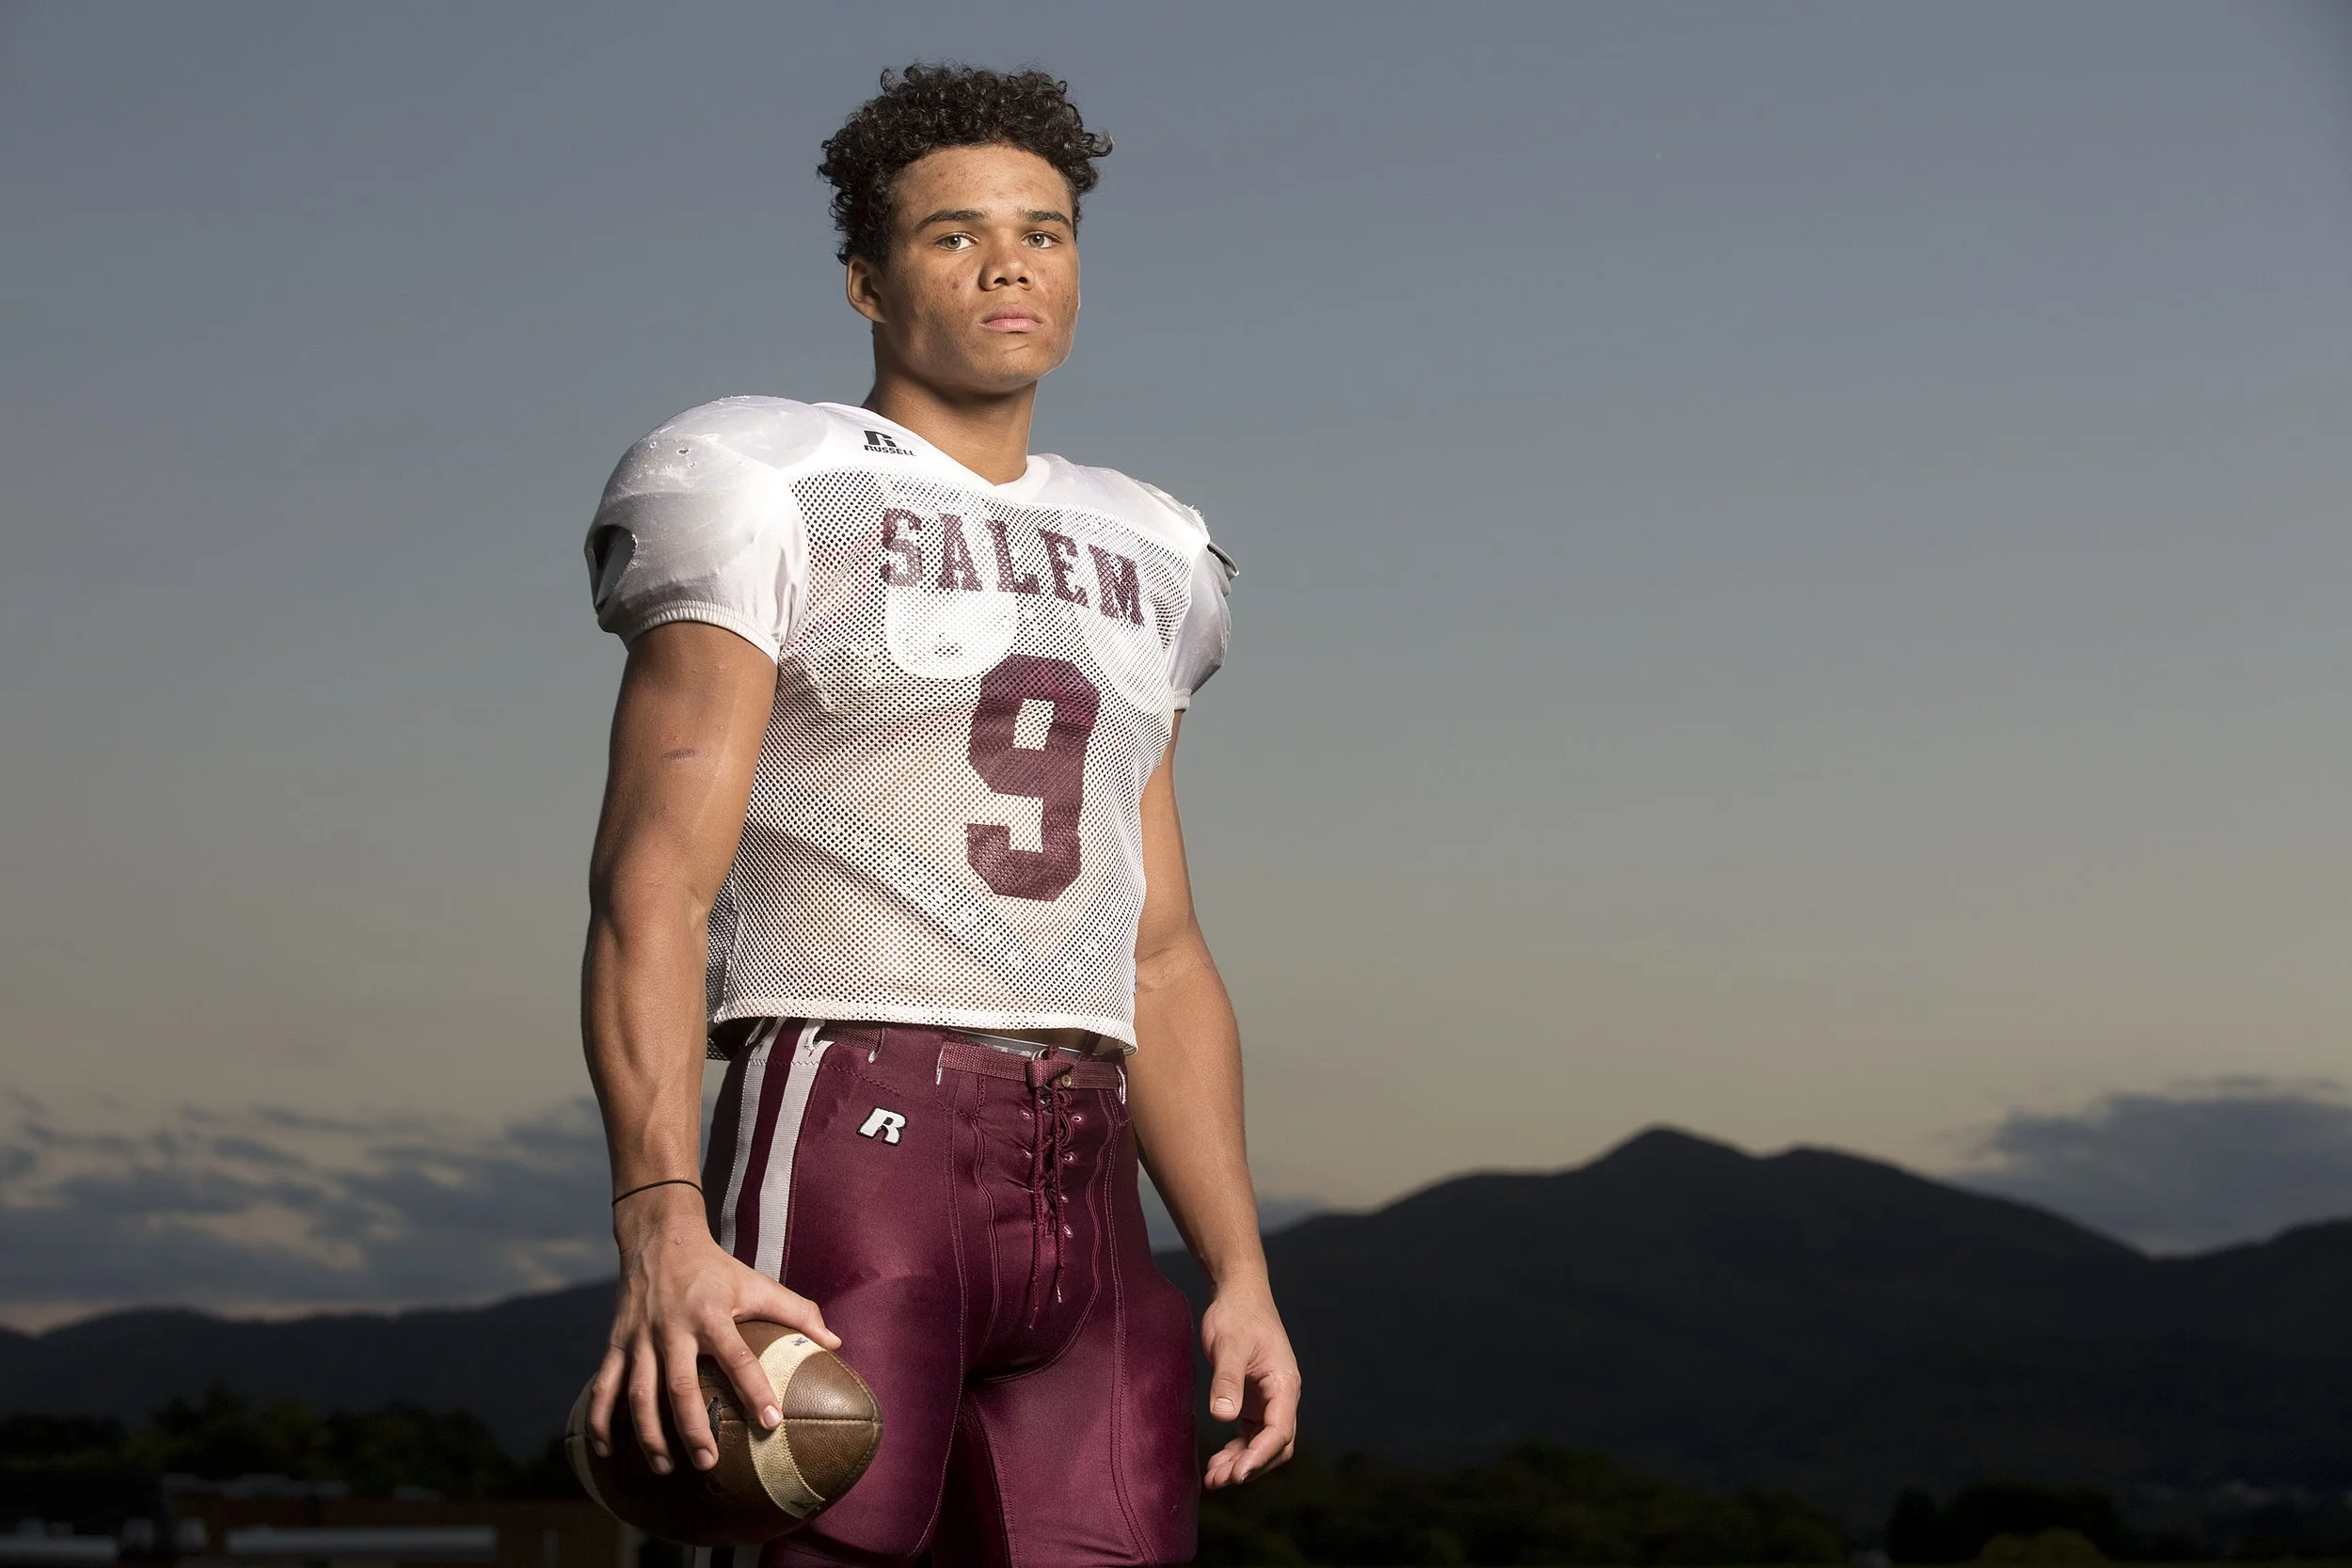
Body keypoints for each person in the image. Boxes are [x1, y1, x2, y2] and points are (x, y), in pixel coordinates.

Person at [574, 64, 1299, 1566]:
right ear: (866, 278)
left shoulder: (1156, 545)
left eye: (1044, 229)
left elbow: (1157, 948)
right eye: (955, 232)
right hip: (855, 1127)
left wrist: (1239, 1263)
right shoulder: (768, 480)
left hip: (1090, 1179)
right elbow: (655, 886)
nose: (1010, 262)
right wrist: (660, 1213)